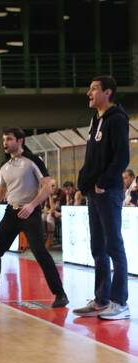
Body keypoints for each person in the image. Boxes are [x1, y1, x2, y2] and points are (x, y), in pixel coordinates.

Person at [0, 128, 68, 308]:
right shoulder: (5, 166)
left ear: (20, 141)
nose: (5, 143)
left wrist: (32, 205)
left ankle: (60, 294)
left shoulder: (33, 161)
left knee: (40, 252)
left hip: (30, 213)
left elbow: (47, 187)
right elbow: (1, 191)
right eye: (4, 140)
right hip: (11, 212)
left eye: (9, 139)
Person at [73, 76, 131, 320]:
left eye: (94, 89)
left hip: (108, 192)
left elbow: (122, 158)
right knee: (98, 247)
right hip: (93, 192)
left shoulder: (117, 119)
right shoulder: (95, 119)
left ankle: (120, 302)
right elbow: (92, 158)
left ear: (107, 93)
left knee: (113, 246)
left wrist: (101, 183)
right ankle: (101, 299)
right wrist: (84, 182)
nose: (89, 93)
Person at [42, 179, 64, 248]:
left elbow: (54, 208)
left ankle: (50, 239)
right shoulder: (48, 193)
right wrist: (48, 211)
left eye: (53, 186)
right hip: (52, 213)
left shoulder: (61, 193)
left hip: (60, 213)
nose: (52, 187)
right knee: (42, 217)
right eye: (51, 186)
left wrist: (50, 197)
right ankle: (43, 237)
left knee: (49, 218)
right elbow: (45, 208)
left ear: (57, 186)